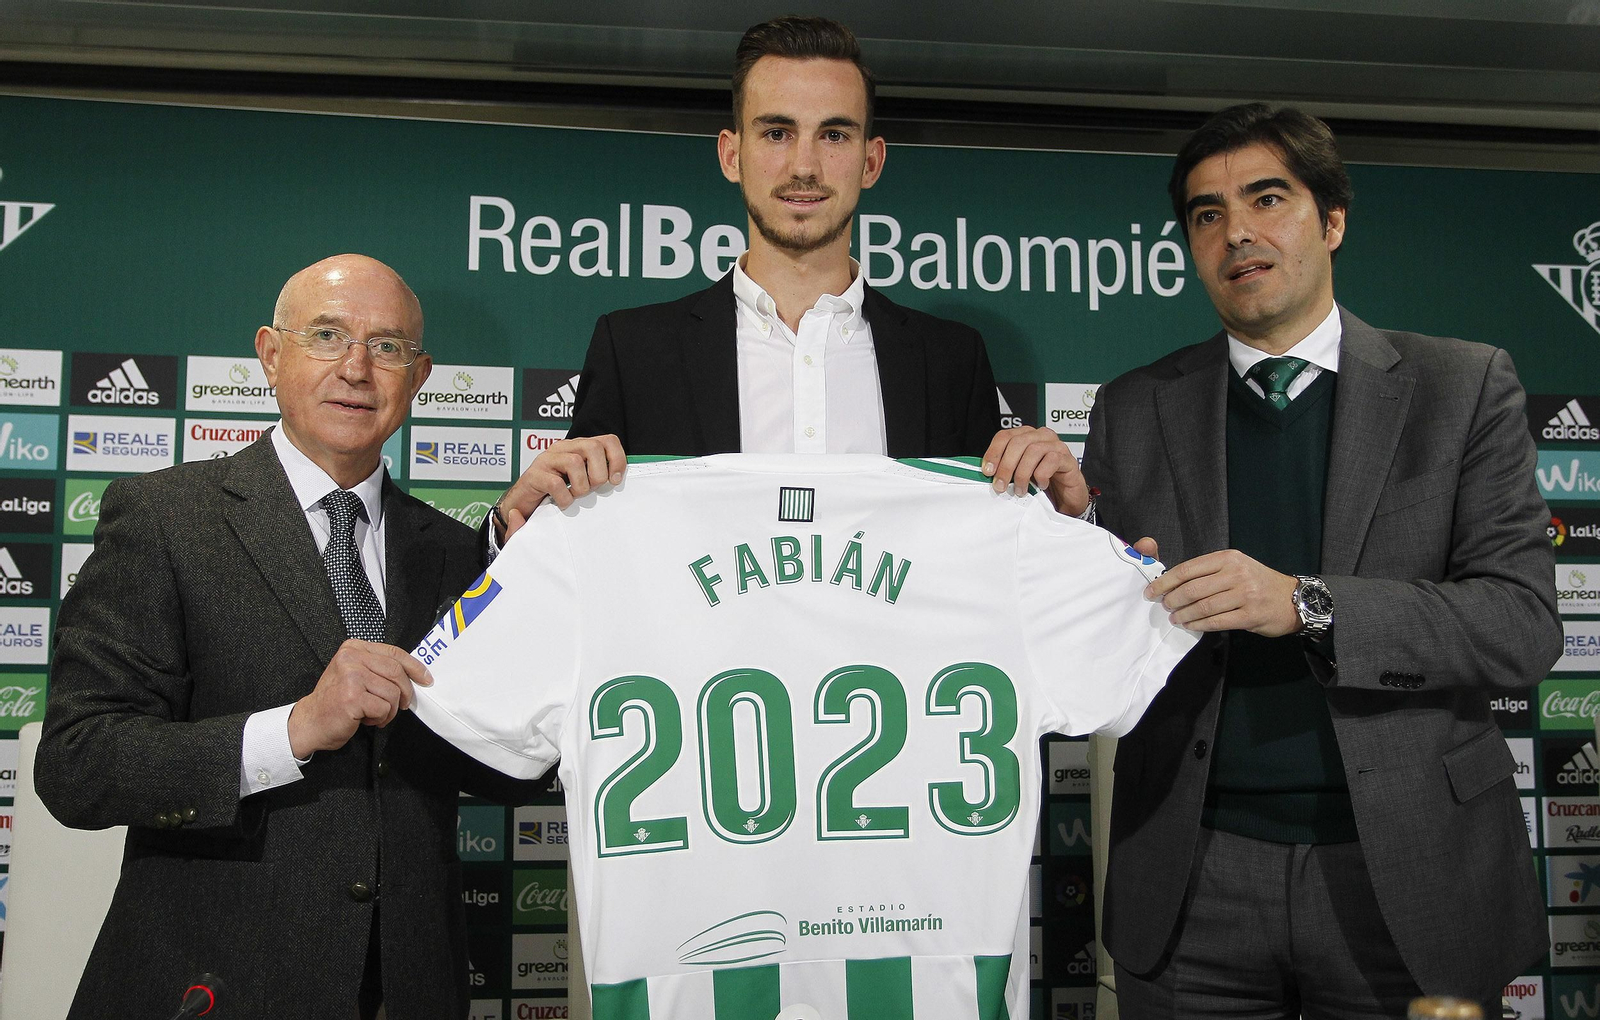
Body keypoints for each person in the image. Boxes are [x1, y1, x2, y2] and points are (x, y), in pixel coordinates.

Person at [1080, 103, 1559, 1017]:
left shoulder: (1462, 387)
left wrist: (1304, 603)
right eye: (1207, 214)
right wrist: (1062, 531)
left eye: (1269, 198)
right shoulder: (1134, 406)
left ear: (1332, 220)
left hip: (1406, 874)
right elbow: (1105, 611)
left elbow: (1523, 625)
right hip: (1191, 877)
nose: (1239, 233)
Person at [37, 254, 528, 1020]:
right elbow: (79, 764)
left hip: (409, 991)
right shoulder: (166, 518)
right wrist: (292, 731)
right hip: (210, 988)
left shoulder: (454, 552)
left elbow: (511, 769)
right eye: (327, 335)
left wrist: (528, 561)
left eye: (389, 347)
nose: (357, 369)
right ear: (271, 354)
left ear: (419, 378)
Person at [492, 15, 1081, 540]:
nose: (804, 166)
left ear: (871, 161)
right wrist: (514, 528)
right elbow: (577, 546)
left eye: (833, 134)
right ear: (732, 155)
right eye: (776, 133)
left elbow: (991, 553)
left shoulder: (951, 359)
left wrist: (1069, 520)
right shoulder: (635, 349)